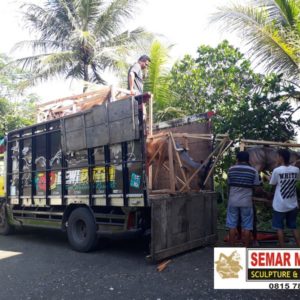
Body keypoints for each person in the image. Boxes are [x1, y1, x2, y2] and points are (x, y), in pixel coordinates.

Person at [226, 151, 260, 247]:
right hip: (246, 201)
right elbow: (257, 187)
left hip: (233, 201)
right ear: (248, 160)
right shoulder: (253, 171)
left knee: (232, 225)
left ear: (237, 159)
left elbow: (229, 184)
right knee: (247, 225)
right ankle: (246, 247)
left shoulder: (231, 169)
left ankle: (232, 247)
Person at [269, 149, 300, 247]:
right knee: (293, 226)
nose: (276, 158)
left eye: (277, 156)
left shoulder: (276, 170)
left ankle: (283, 250)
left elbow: (273, 184)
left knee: (279, 227)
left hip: (279, 205)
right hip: (293, 204)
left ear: (281, 157)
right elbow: (296, 180)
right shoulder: (296, 170)